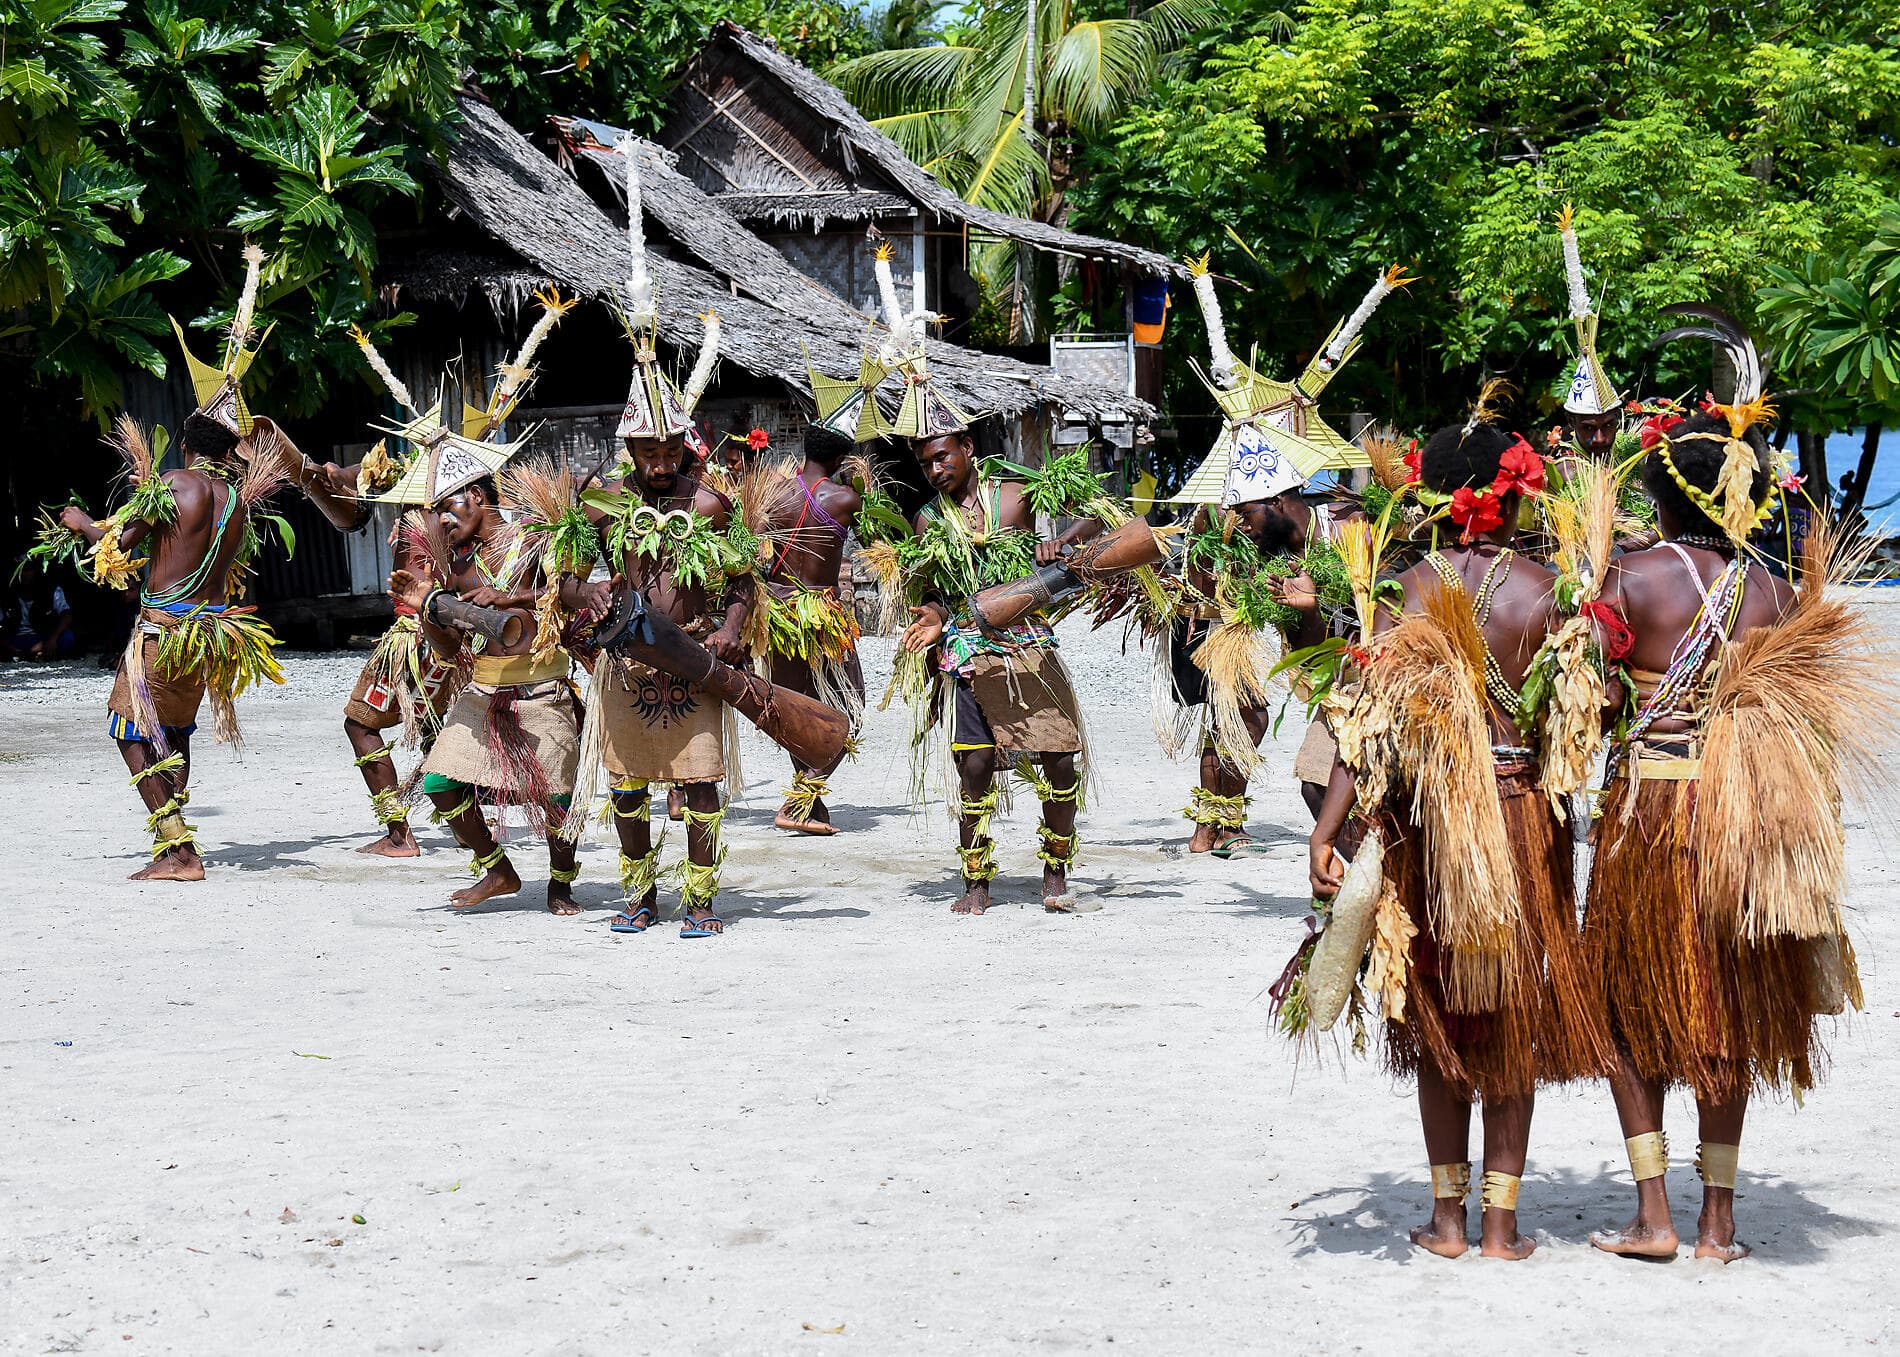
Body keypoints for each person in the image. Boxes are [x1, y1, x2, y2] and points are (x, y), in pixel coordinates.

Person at [1582, 337, 1878, 1262]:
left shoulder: (1630, 578)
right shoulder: (1780, 594)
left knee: (1627, 1003)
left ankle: (1653, 1214)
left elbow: (1591, 700)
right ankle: (1718, 1221)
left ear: (1667, 499)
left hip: (1654, 811)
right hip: (1748, 819)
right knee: (1727, 1008)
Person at [1307, 398, 1611, 1259]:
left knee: (1438, 1011)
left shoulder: (1406, 591)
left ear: (1434, 498)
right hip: (1521, 819)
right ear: (1508, 501)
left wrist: (1326, 830)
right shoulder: (1548, 592)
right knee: (1510, 1009)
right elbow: (1578, 725)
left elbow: (1365, 728)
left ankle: (1447, 1220)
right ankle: (1502, 1224)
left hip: (1433, 825)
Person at [62, 411, 287, 880]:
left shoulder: (175, 484)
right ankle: (171, 847)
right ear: (228, 452)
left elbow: (119, 544)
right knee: (175, 730)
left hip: (164, 631)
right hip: (208, 635)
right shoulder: (236, 501)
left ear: (186, 446)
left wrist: (82, 522)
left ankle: (180, 853)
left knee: (129, 729)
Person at [897, 406, 1088, 916]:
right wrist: (935, 616)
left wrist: (1062, 540)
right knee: (975, 764)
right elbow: (935, 593)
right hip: (967, 648)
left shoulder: (1015, 494)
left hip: (1028, 643)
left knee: (1060, 759)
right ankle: (976, 880)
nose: (935, 469)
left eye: (942, 457)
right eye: (925, 463)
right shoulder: (928, 520)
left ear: (967, 448)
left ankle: (1055, 870)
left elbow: (1097, 510)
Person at [757, 422, 865, 834]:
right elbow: (877, 535)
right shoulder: (845, 499)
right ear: (840, 458)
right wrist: (861, 483)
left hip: (779, 613)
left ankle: (810, 804)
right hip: (821, 613)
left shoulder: (773, 493)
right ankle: (799, 798)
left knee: (795, 706)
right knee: (850, 707)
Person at [1555, 204, 1624, 460]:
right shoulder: (1562, 473)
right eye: (1589, 428)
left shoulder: (1635, 464)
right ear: (1571, 422)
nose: (1601, 439)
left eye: (1608, 425)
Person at [4, 560, 76, 660]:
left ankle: (38, 653)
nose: (25, 574)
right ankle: (25, 655)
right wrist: (9, 647)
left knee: (67, 638)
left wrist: (51, 639)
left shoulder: (51, 590)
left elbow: (66, 615)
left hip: (42, 637)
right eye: (21, 570)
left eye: (28, 570)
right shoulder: (7, 594)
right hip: (16, 639)